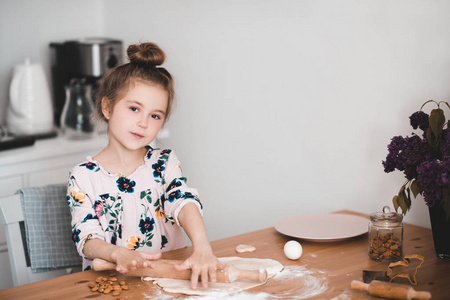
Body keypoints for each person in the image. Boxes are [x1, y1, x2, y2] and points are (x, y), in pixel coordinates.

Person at [66, 42, 221, 289]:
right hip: (114, 284)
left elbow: (183, 201)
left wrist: (203, 247)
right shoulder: (83, 177)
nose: (143, 123)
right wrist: (118, 254)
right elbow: (87, 238)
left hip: (170, 279)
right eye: (134, 108)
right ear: (107, 107)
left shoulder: (163, 162)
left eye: (155, 115)